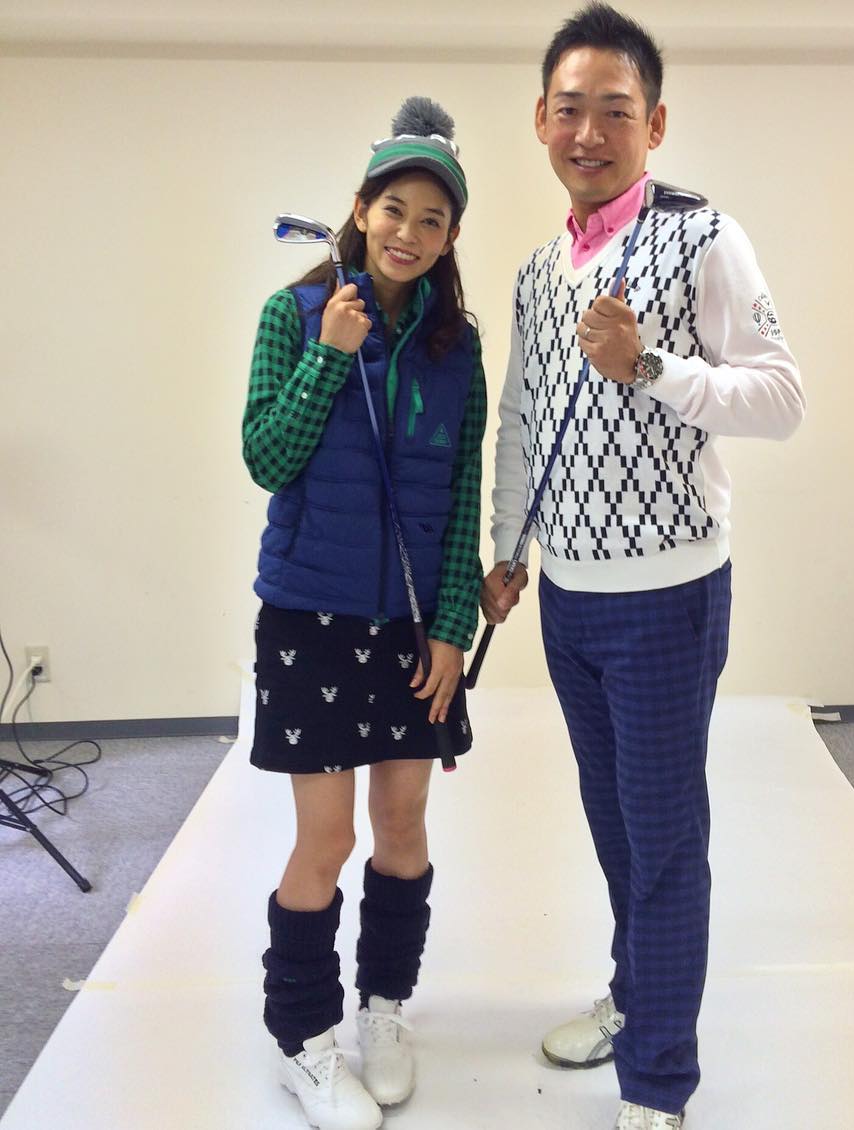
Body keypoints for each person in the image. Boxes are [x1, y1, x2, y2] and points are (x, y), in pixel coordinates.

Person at [483, 6, 805, 1129]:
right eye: (570, 109)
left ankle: (659, 1084)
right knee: (617, 826)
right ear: (540, 118)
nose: (590, 132)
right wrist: (507, 547)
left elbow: (781, 397)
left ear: (654, 124)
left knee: (665, 842)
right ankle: (637, 995)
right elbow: (521, 415)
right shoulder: (537, 270)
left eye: (615, 111)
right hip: (568, 601)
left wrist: (653, 365)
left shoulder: (705, 235)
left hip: (669, 598)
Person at [243, 97, 485, 1130]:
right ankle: (303, 1040)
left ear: (450, 237)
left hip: (411, 629)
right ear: (359, 208)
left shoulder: (457, 346)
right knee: (328, 836)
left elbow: (463, 490)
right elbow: (266, 458)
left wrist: (454, 622)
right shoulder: (294, 313)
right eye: (395, 210)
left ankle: (384, 1009)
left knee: (402, 823)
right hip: (310, 616)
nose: (409, 233)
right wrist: (330, 354)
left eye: (433, 219)